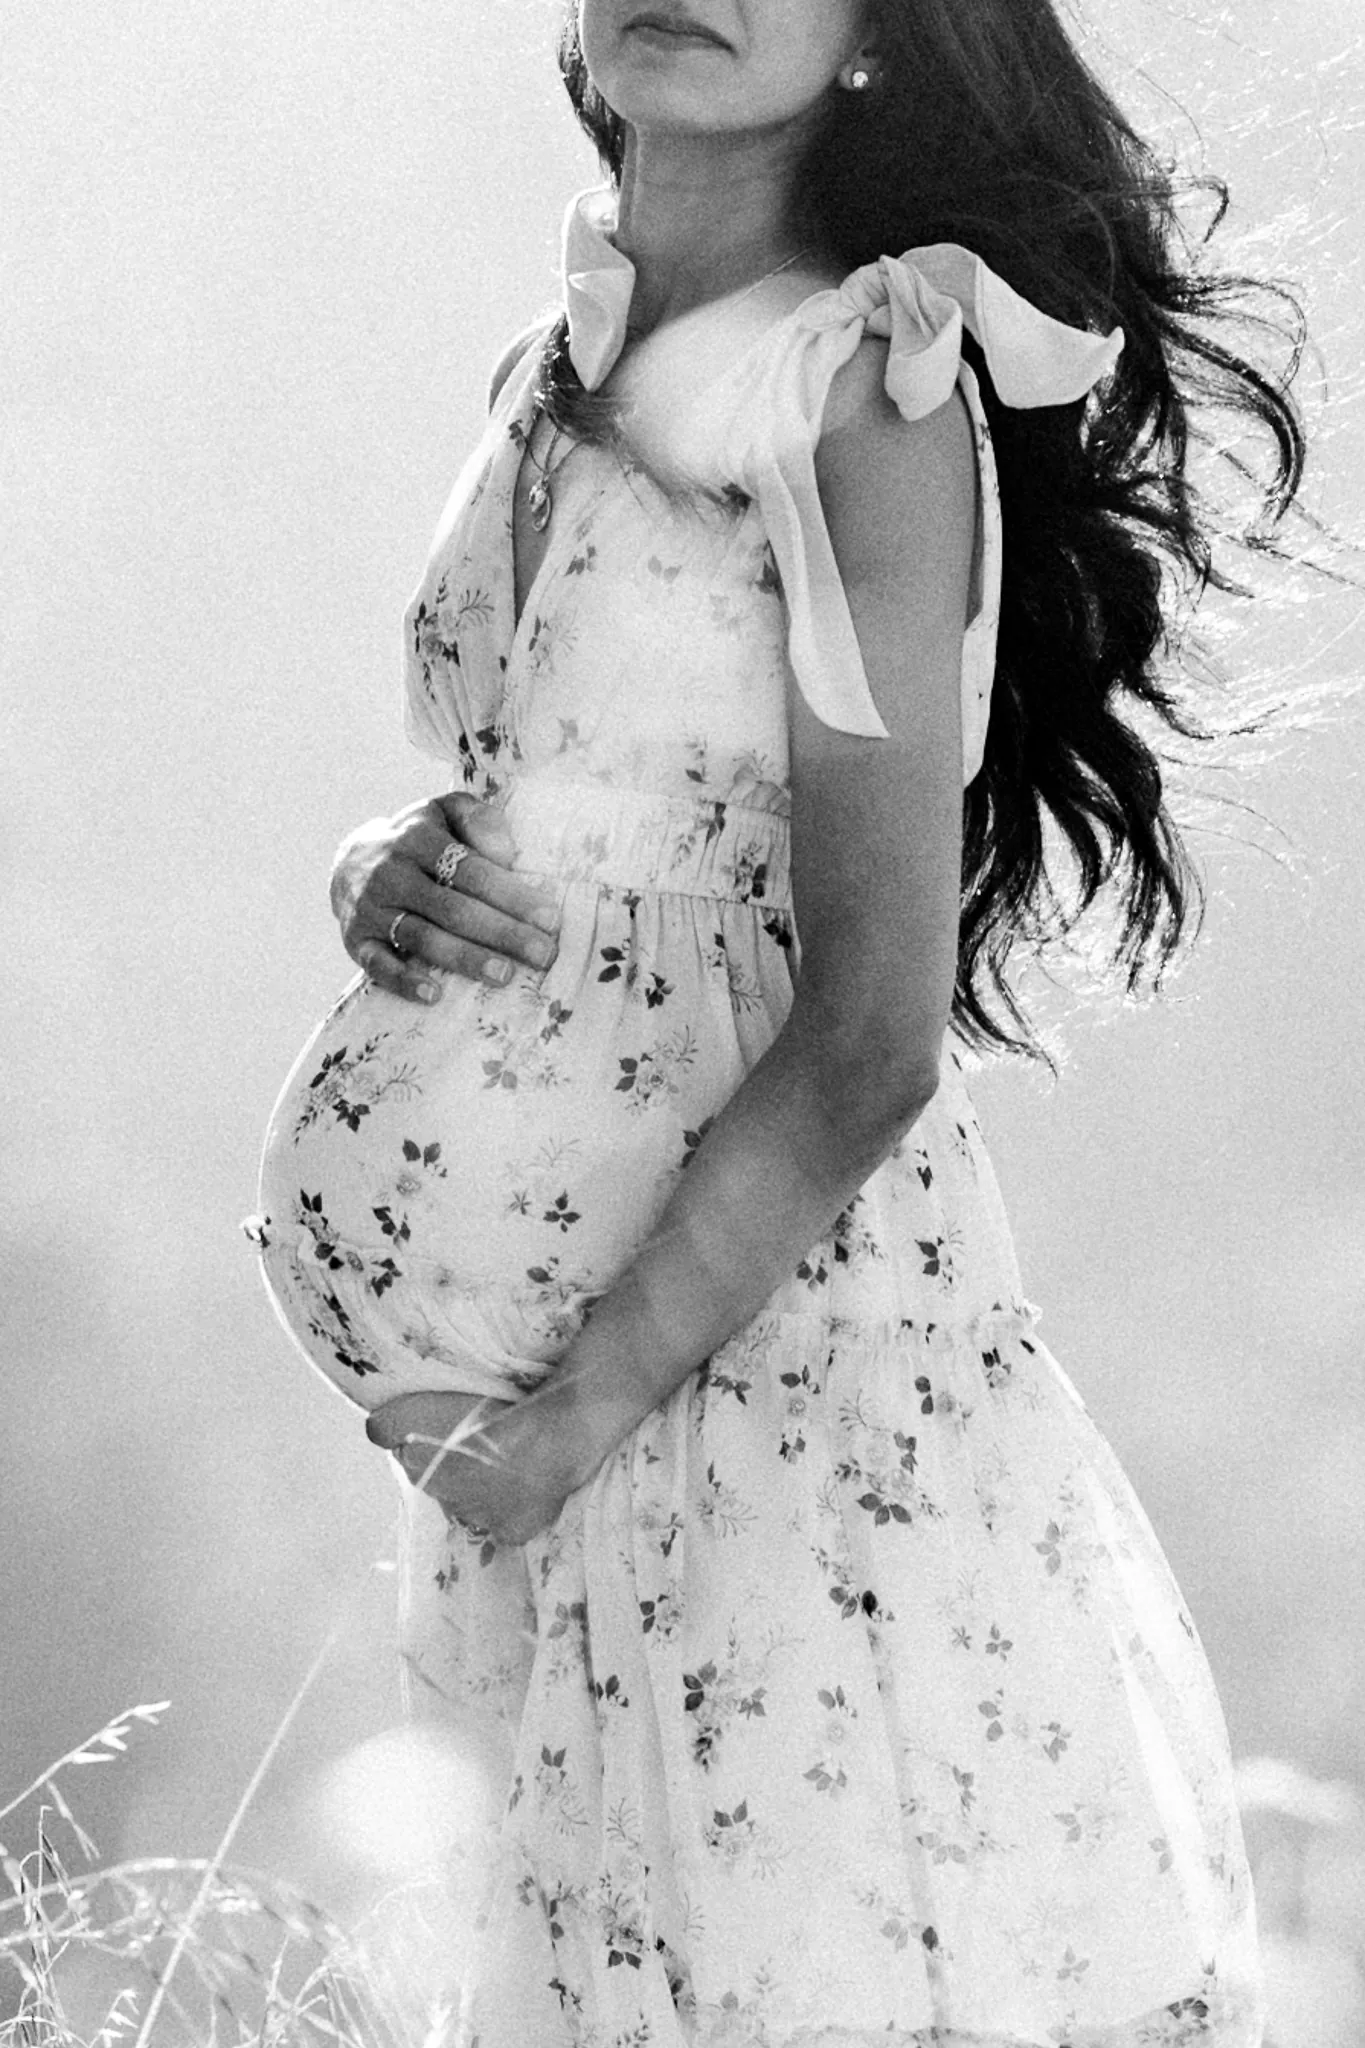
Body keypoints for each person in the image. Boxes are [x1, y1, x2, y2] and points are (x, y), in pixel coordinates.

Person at [248, 1, 1307, 2040]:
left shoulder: (859, 397)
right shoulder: (553, 369)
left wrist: (578, 1418)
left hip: (740, 1389)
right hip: (543, 1435)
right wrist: (380, 865)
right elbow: (573, 800)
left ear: (877, 37)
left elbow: (871, 1030)